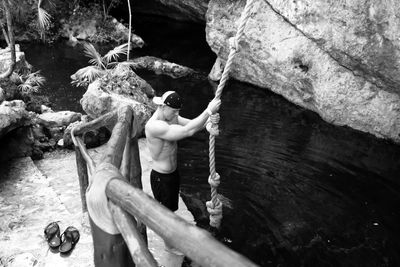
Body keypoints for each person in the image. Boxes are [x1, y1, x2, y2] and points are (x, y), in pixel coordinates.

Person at [145, 91, 221, 212]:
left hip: (173, 174)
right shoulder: (154, 126)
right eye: (174, 111)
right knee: (165, 214)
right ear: (163, 107)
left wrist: (210, 121)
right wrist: (208, 111)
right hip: (161, 178)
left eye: (178, 111)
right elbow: (187, 131)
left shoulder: (171, 117)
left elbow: (193, 125)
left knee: (172, 211)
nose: (177, 114)